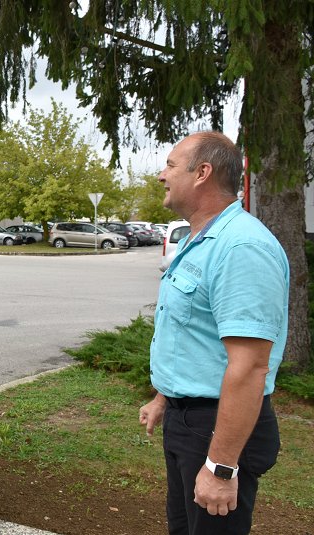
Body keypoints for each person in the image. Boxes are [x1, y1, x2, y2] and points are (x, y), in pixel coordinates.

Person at [138, 132, 289, 535]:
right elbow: (193, 335)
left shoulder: (241, 247)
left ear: (202, 172)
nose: (160, 175)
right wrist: (164, 398)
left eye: (170, 165)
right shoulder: (200, 238)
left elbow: (251, 366)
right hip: (189, 422)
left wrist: (222, 468)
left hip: (218, 430)